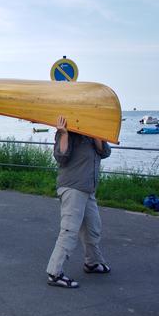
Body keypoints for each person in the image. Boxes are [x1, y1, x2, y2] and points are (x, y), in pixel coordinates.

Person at [46, 115, 112, 288]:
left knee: (93, 229)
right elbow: (61, 157)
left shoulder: (91, 133)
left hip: (88, 189)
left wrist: (97, 133)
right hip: (72, 188)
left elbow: (104, 152)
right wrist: (64, 133)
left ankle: (91, 262)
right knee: (69, 230)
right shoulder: (67, 132)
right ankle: (54, 272)